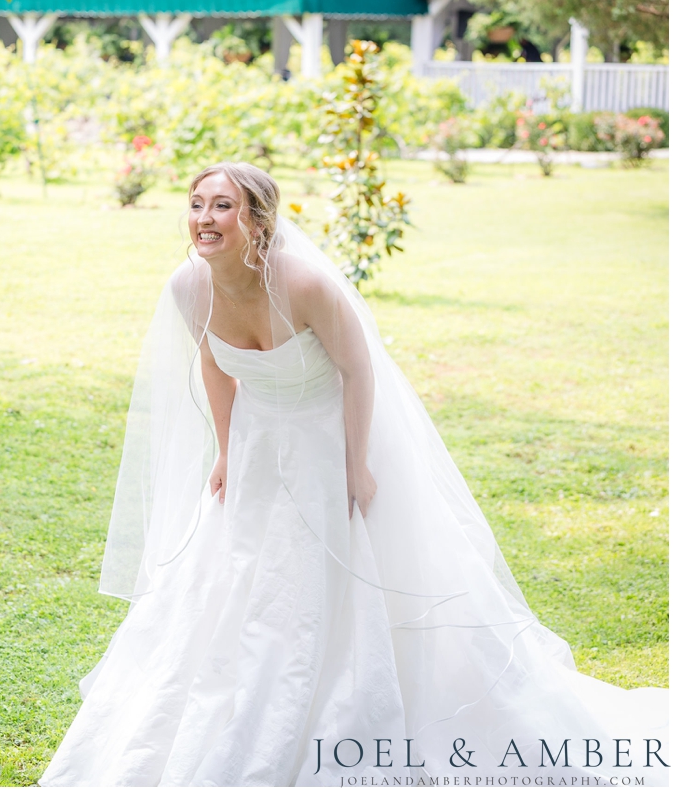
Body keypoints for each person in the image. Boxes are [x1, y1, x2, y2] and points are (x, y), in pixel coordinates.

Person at [40, 163, 668, 786]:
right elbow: (212, 367)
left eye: (223, 206)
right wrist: (228, 451)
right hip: (257, 447)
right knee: (232, 584)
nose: (205, 219)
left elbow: (357, 371)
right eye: (197, 204)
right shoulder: (188, 287)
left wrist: (355, 463)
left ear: (256, 220)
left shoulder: (307, 284)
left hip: (329, 437)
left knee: (343, 582)